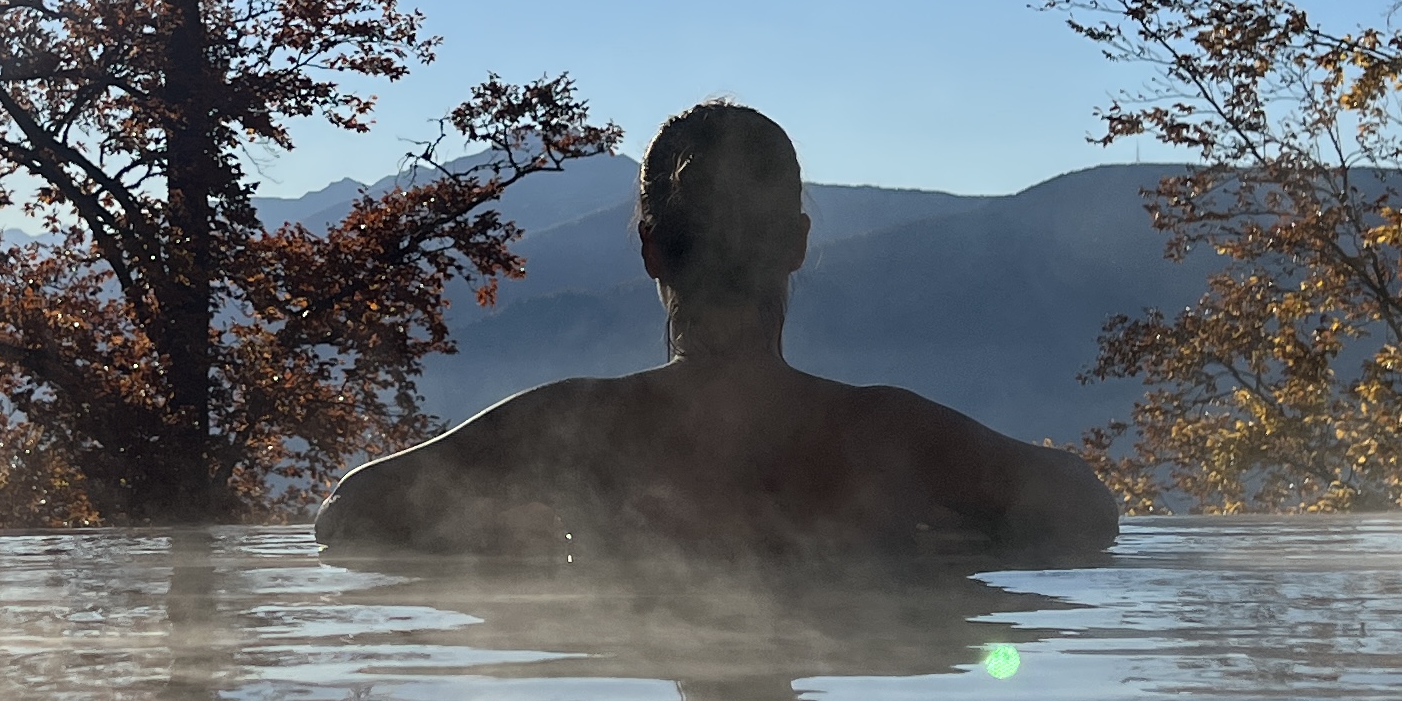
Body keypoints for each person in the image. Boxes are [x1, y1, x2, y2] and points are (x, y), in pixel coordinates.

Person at [314, 101, 1121, 562]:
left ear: (651, 251)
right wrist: (975, 542)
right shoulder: (889, 435)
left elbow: (347, 516)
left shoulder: (573, 429)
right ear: (799, 245)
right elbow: (1090, 508)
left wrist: (501, 543)